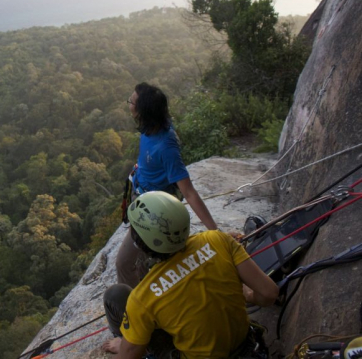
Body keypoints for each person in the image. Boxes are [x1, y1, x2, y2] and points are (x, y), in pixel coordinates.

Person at [103, 191, 279, 358]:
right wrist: (247, 294)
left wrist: (127, 346)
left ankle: (127, 340)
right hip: (245, 344)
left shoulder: (142, 299)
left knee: (115, 295)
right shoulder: (217, 240)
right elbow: (269, 293)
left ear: (141, 243)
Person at [117, 83, 218, 287]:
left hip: (153, 211)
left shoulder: (166, 147)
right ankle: (147, 291)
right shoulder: (153, 127)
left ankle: (135, 311)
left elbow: (188, 192)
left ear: (144, 111)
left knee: (123, 264)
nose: (129, 105)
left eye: (132, 102)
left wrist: (215, 232)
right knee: (142, 263)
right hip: (142, 196)